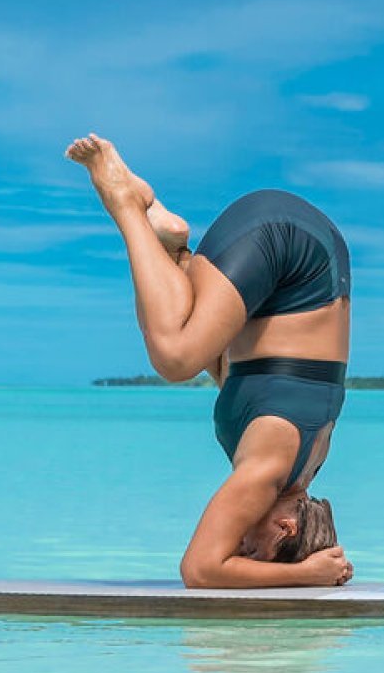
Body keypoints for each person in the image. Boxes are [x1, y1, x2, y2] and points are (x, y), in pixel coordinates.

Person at [67, 133, 354, 591]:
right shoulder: (268, 472)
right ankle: (124, 201)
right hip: (290, 247)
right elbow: (200, 570)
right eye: (253, 552)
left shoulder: (288, 458)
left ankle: (170, 247)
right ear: (286, 529)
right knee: (176, 358)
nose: (240, 548)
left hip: (292, 258)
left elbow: (232, 364)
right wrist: (305, 575)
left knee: (191, 339)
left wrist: (180, 265)